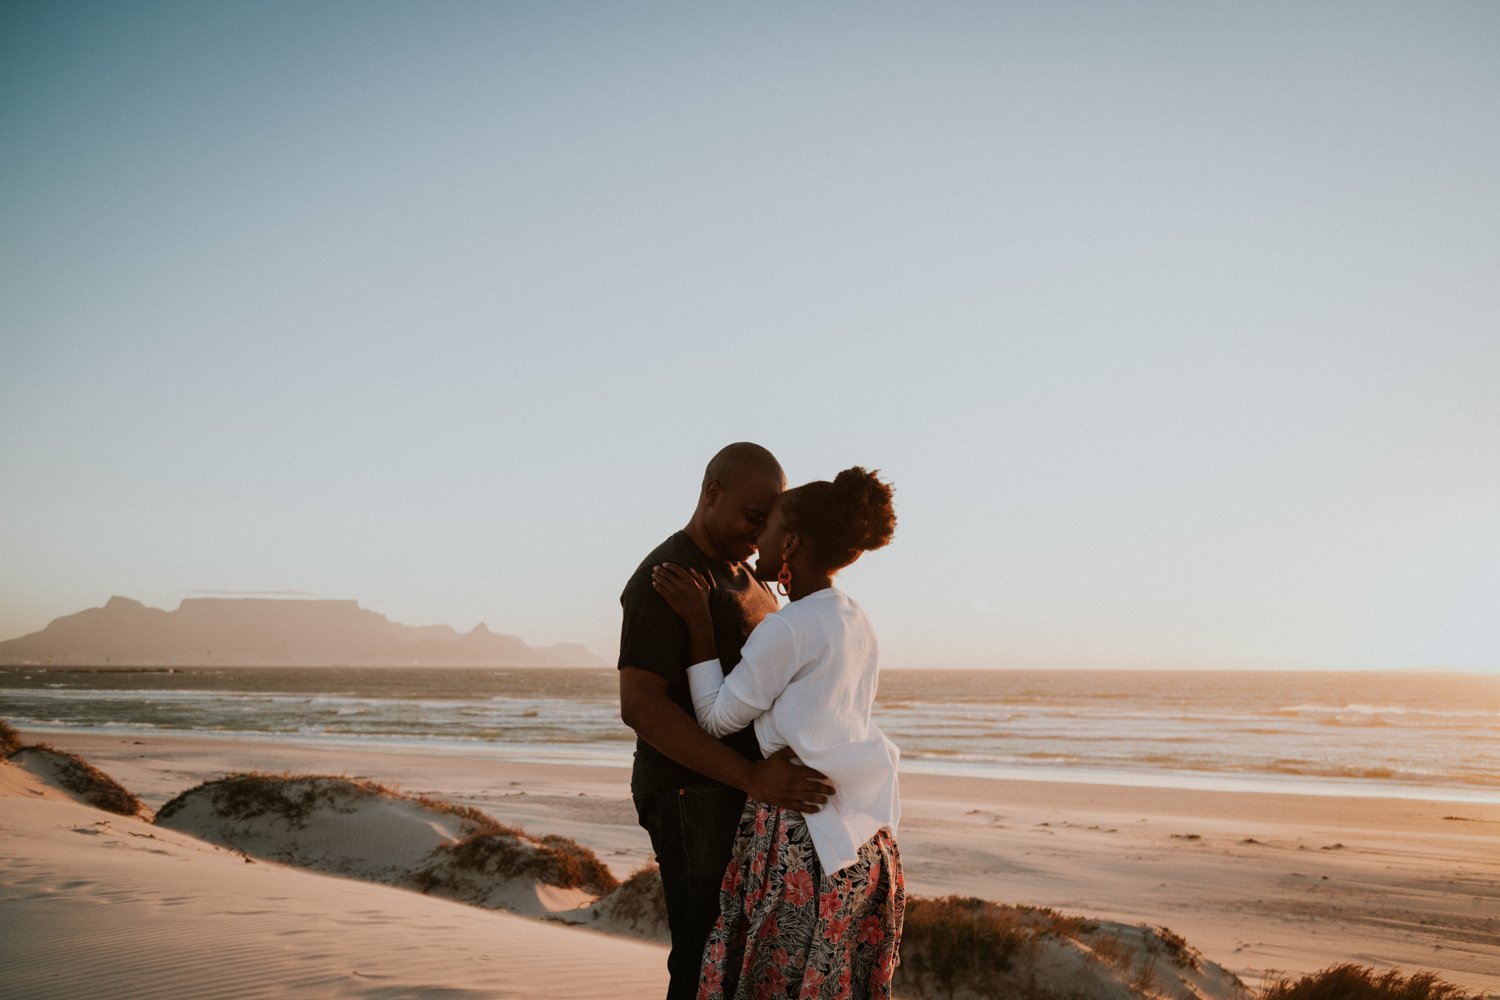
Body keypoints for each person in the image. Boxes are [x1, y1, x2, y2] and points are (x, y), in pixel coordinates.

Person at [652, 466, 903, 1000]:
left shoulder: (786, 628)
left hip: (799, 842)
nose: (755, 537)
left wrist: (699, 623)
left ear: (789, 542)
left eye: (768, 526)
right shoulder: (856, 619)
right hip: (861, 840)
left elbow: (717, 719)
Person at [619, 442, 837, 1000]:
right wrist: (752, 778)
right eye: (753, 517)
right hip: (690, 794)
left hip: (743, 795)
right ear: (711, 493)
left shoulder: (751, 577)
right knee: (701, 954)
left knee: (737, 958)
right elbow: (642, 707)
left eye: (769, 522)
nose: (758, 532)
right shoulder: (667, 574)